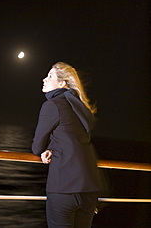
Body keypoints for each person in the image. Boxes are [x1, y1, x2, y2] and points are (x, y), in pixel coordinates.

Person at [32, 62, 101, 228]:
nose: (44, 79)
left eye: (50, 76)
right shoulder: (80, 108)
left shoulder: (52, 105)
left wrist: (47, 148)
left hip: (64, 189)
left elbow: (36, 147)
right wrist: (53, 146)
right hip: (89, 189)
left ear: (62, 83)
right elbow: (71, 136)